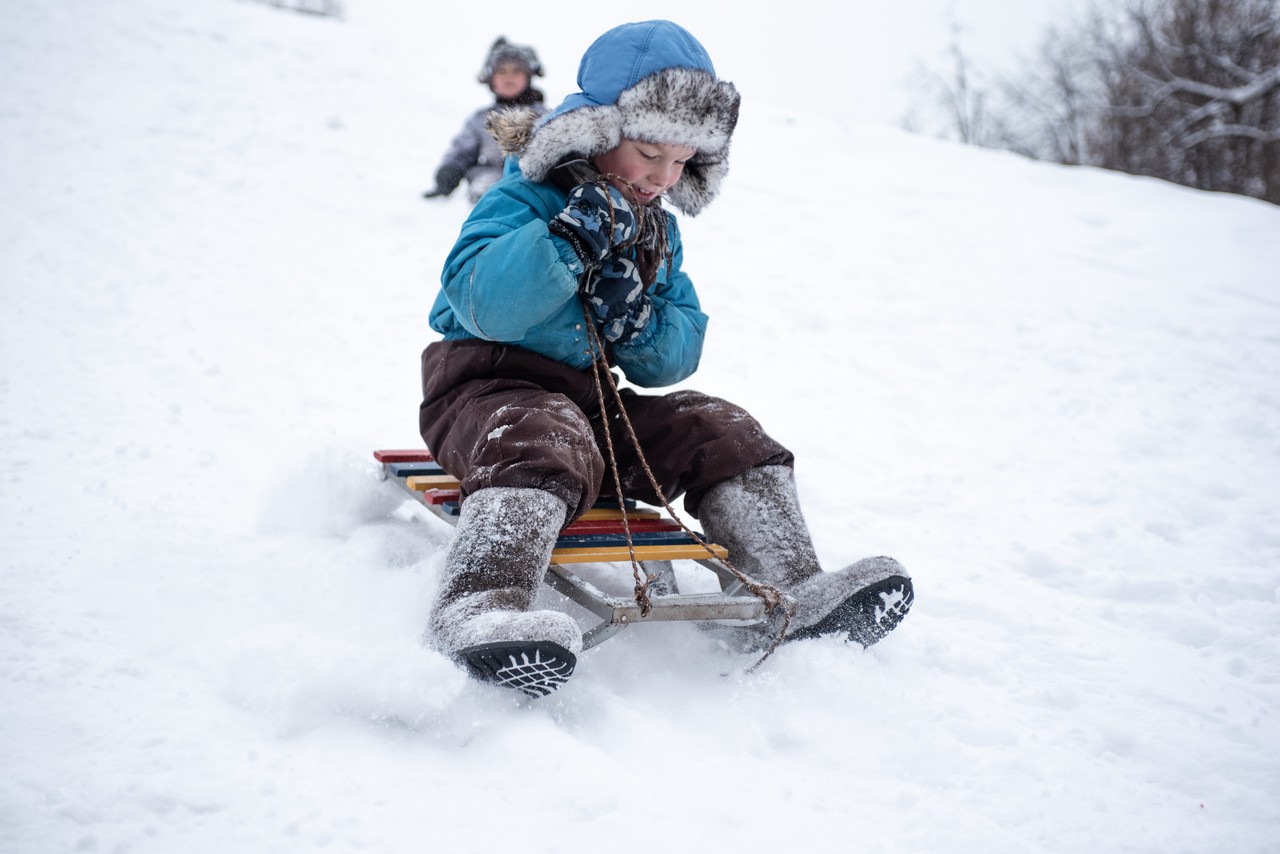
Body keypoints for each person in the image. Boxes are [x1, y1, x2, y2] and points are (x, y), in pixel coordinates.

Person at [419, 20, 913, 696]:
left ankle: (795, 588)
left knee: (721, 428)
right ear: (596, 133)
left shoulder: (657, 231)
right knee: (544, 434)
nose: (662, 174)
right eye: (649, 150)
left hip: (590, 411)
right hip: (484, 398)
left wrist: (638, 320)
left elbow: (673, 356)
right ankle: (479, 604)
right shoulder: (525, 197)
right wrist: (566, 243)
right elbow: (484, 301)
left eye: (682, 162)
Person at [422, 37, 548, 205]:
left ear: (529, 75)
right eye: (501, 71)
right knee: (487, 188)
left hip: (534, 178)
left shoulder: (545, 116)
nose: (509, 77)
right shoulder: (480, 119)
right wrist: (450, 172)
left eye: (517, 71)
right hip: (491, 177)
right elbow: (463, 151)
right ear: (490, 79)